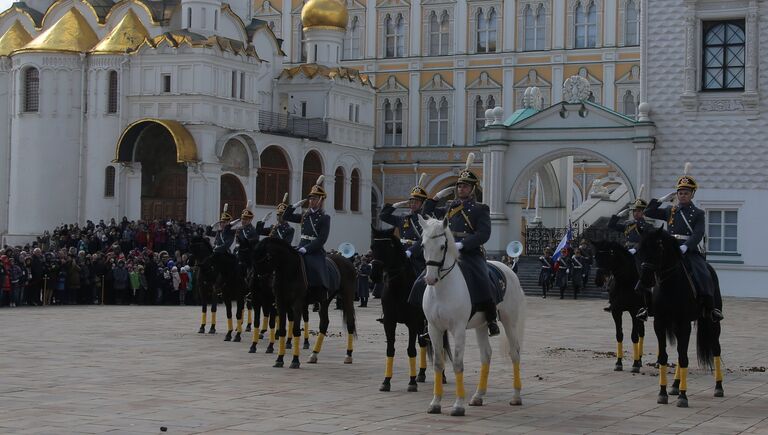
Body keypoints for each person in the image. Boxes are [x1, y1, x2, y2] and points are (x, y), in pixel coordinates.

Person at [417, 153, 500, 337]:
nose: (461, 188)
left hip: (469, 252)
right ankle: (427, 319)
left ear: (472, 189)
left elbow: (483, 234)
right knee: (421, 281)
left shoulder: (480, 209)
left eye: (465, 186)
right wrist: (436, 197)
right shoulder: (450, 207)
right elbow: (427, 213)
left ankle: (491, 317)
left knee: (483, 279)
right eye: (460, 185)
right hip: (447, 252)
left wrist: (464, 244)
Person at [643, 163, 723, 322]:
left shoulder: (698, 213)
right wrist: (662, 199)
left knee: (704, 273)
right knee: (648, 269)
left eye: (686, 193)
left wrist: (686, 247)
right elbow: (648, 212)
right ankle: (647, 307)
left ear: (692, 194)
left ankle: (710, 307)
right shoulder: (670, 210)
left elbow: (699, 233)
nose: (683, 195)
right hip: (669, 250)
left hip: (689, 250)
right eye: (680, 193)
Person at [283, 176, 332, 302]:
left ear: (321, 200)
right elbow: (286, 216)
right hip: (301, 245)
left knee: (315, 266)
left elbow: (322, 239)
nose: (311, 201)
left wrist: (307, 249)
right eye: (310, 198)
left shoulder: (324, 218)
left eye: (314, 199)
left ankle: (321, 292)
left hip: (314, 249)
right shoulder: (305, 215)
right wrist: (293, 206)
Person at [604, 193, 653, 311]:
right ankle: (613, 299)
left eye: (639, 211)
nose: (636, 213)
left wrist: (635, 249)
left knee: (642, 274)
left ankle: (647, 304)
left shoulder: (647, 226)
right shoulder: (628, 224)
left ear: (643, 212)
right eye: (635, 211)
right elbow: (611, 225)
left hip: (639, 253)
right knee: (614, 272)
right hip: (626, 252)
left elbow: (644, 240)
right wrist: (618, 215)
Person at [379, 173, 428, 273]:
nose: (413, 204)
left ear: (422, 204)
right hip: (401, 252)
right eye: (412, 201)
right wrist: (395, 205)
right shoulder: (403, 218)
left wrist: (411, 251)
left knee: (420, 278)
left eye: (417, 202)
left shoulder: (426, 219)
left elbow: (424, 239)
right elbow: (383, 216)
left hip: (417, 254)